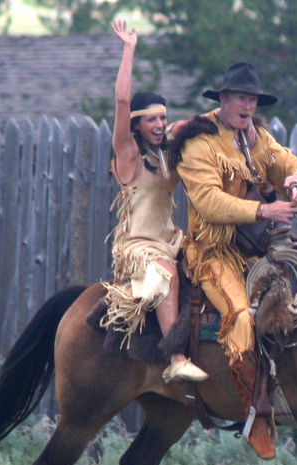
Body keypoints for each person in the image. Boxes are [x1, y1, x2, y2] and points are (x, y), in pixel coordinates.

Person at [174, 62, 297, 459]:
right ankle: (257, 417)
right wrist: (265, 212)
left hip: (255, 249)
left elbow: (288, 160)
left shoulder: (256, 139)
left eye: (252, 99)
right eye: (240, 98)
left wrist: (295, 181)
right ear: (223, 100)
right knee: (240, 315)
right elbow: (208, 202)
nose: (247, 105)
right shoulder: (198, 143)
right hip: (212, 251)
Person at [99, 19, 207, 384]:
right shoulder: (127, 155)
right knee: (165, 271)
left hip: (170, 237)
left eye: (163, 117)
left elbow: (194, 123)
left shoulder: (166, 153)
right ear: (136, 125)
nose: (161, 124)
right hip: (139, 246)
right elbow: (122, 100)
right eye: (152, 120)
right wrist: (129, 48)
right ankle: (175, 356)